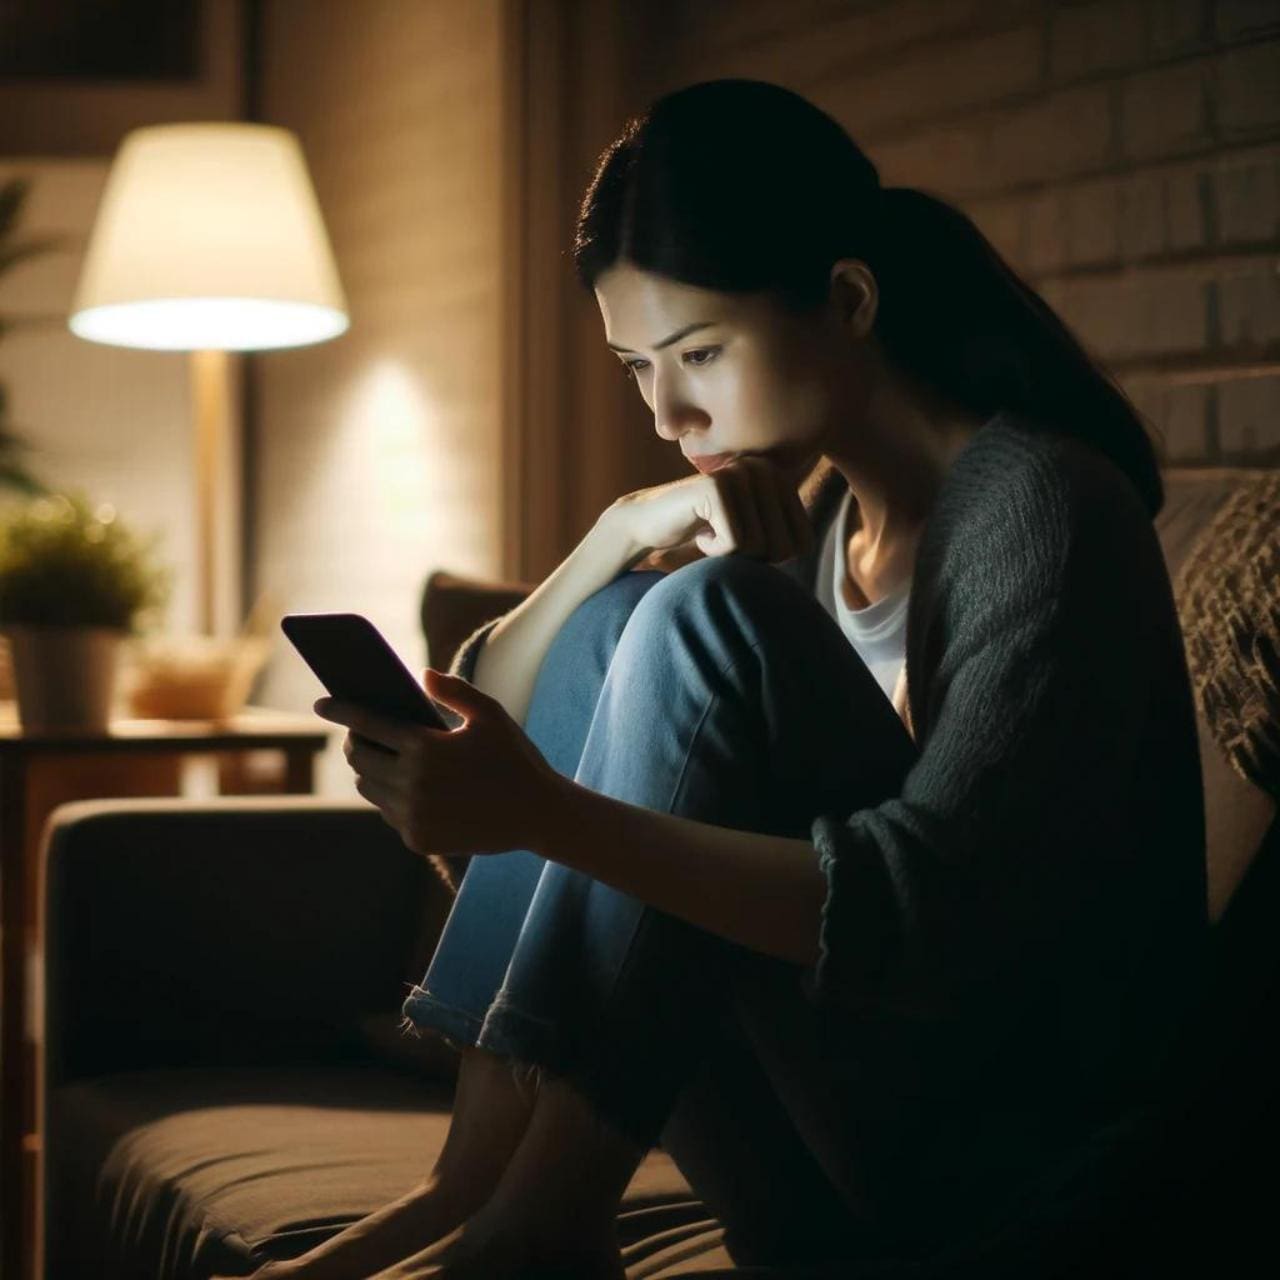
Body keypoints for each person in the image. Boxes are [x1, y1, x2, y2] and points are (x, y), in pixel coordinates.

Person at [246, 79, 1209, 1280]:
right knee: (624, 617)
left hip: (1015, 1173)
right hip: (812, 1159)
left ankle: (537, 1221)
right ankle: (473, 1188)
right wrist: (610, 536)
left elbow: (936, 922)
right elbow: (509, 696)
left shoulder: (1042, 508)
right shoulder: (812, 525)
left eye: (699, 350)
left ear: (846, 299)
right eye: (635, 365)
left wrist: (543, 810)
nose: (668, 411)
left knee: (697, 612)